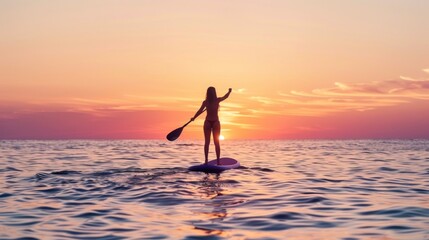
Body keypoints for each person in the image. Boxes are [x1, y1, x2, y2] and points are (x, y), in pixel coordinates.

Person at [191, 87, 232, 165]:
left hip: (208, 122)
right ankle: (218, 162)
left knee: (207, 142)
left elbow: (199, 111)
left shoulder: (206, 102)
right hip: (215, 122)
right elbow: (225, 97)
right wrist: (229, 92)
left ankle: (206, 161)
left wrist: (194, 117)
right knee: (216, 142)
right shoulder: (217, 100)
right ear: (214, 93)